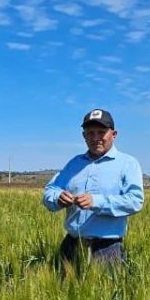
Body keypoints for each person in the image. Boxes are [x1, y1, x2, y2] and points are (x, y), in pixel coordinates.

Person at [42, 109, 144, 274]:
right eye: (90, 133)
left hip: (107, 249)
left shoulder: (128, 164)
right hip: (71, 245)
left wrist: (97, 202)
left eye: (101, 132)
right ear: (84, 136)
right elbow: (50, 191)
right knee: (59, 296)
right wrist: (58, 198)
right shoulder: (74, 163)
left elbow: (135, 201)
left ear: (114, 134)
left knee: (102, 298)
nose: (95, 138)